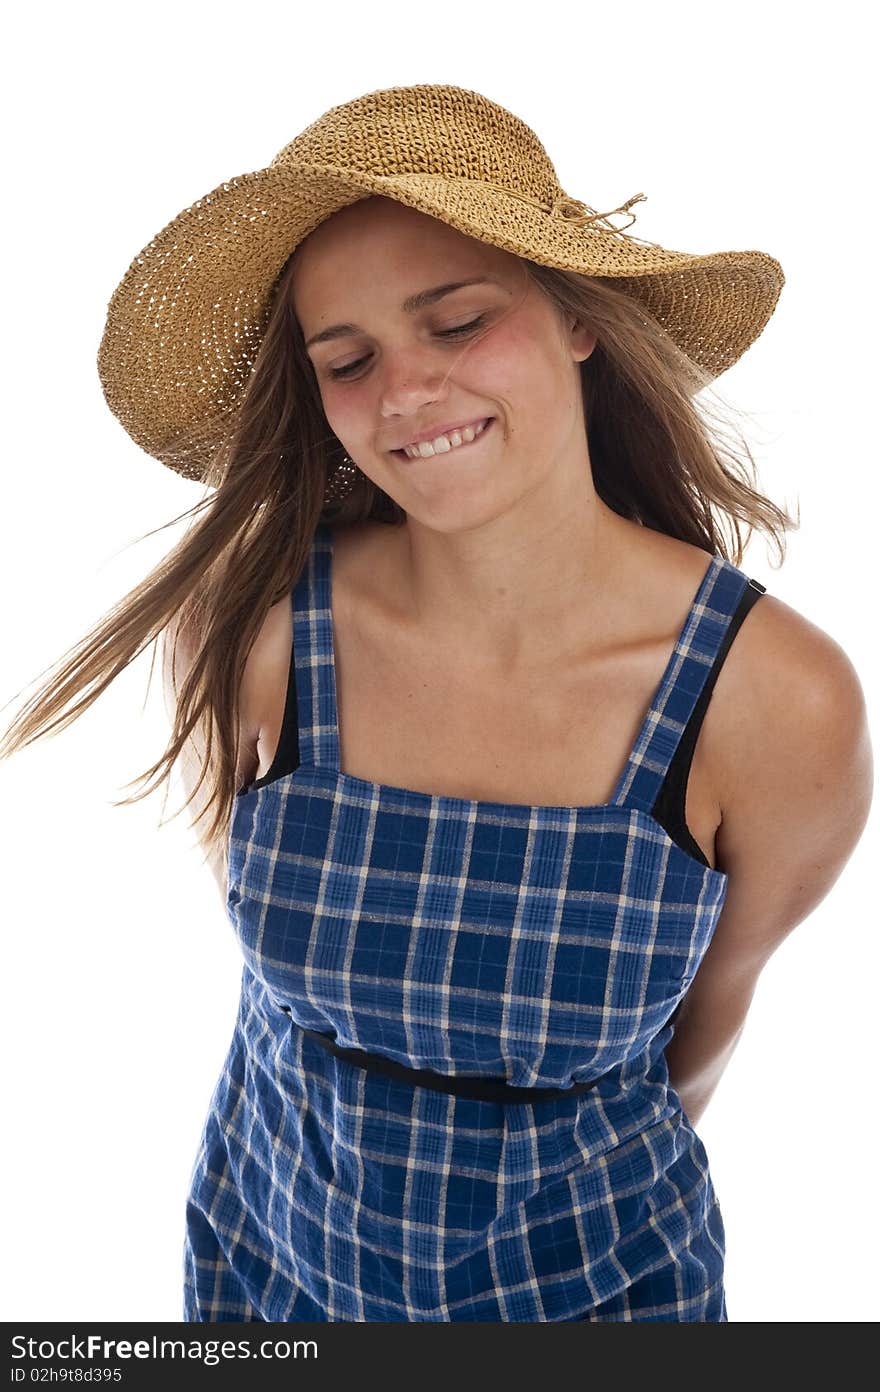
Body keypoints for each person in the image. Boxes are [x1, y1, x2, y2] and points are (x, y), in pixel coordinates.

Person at [0, 84, 872, 1322]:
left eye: (457, 322)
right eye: (347, 361)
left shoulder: (772, 698)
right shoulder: (255, 626)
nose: (405, 391)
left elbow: (701, 1042)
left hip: (601, 1301)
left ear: (578, 319)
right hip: (268, 1285)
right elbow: (280, 989)